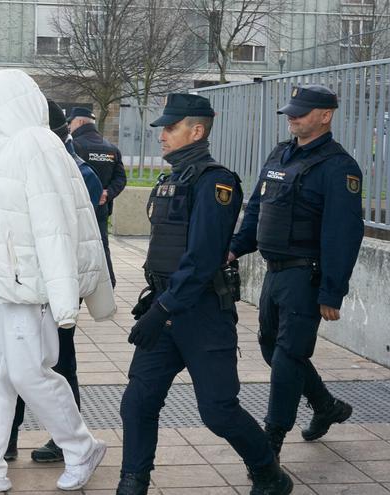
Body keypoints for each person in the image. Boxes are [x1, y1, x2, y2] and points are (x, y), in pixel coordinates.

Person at [0, 69, 112, 493]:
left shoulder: (33, 145)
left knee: (27, 374)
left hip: (27, 290)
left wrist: (63, 299)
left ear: (9, 106)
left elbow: (54, 224)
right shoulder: (18, 148)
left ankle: (80, 446)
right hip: (7, 285)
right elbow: (12, 222)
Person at [117, 94, 292, 495]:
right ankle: (133, 482)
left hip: (202, 315)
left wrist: (161, 311)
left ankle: (268, 472)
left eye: (170, 127)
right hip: (163, 310)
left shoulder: (217, 182)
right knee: (138, 401)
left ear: (196, 131)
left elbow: (201, 260)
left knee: (218, 411)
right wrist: (158, 308)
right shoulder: (170, 179)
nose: (162, 135)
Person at [228, 85, 364, 457]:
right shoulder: (281, 154)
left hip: (307, 275)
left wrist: (332, 292)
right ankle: (326, 406)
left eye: (301, 112)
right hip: (274, 272)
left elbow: (343, 234)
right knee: (272, 349)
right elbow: (257, 207)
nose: (293, 117)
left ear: (325, 115)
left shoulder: (339, 167)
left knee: (288, 356)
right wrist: (235, 248)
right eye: (291, 111)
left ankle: (271, 440)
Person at [70, 107, 126, 287]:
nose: (69, 127)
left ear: (78, 122)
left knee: (74, 250)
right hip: (101, 209)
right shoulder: (111, 148)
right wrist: (107, 193)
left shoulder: (73, 146)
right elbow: (121, 178)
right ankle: (108, 286)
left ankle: (76, 292)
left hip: (77, 210)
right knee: (102, 248)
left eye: (70, 123)